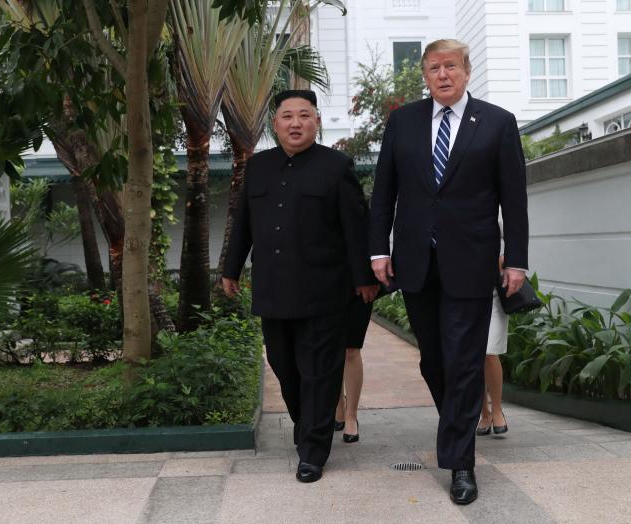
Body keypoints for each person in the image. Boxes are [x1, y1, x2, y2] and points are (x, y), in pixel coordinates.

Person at [369, 39, 528, 505]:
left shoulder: (497, 123)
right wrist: (379, 251)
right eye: (434, 67)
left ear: (466, 71)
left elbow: (513, 198)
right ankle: (457, 426)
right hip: (416, 262)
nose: (443, 74)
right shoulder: (403, 122)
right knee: (433, 359)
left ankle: (461, 462)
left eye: (451, 66)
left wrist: (515, 258)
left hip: (473, 262)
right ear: (424, 75)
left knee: (463, 360)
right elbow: (384, 193)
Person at [222, 90, 378, 483]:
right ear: (275, 125)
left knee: (320, 372)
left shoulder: (337, 166)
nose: (295, 123)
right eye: (287, 116)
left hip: (325, 289)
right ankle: (307, 423)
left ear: (316, 122)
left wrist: (364, 278)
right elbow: (242, 221)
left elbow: (356, 226)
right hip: (273, 288)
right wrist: (231, 268)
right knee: (284, 365)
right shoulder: (258, 167)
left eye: (304, 115)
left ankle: (312, 450)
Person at [477, 255, 509, 436]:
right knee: (474, 355)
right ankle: (484, 414)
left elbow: (514, 237)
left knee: (489, 351)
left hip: (494, 291)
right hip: (464, 290)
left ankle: (497, 409)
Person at [334, 295, 373, 443]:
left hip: (357, 283)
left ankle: (351, 415)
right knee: (331, 349)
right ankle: (339, 407)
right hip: (324, 281)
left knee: (351, 347)